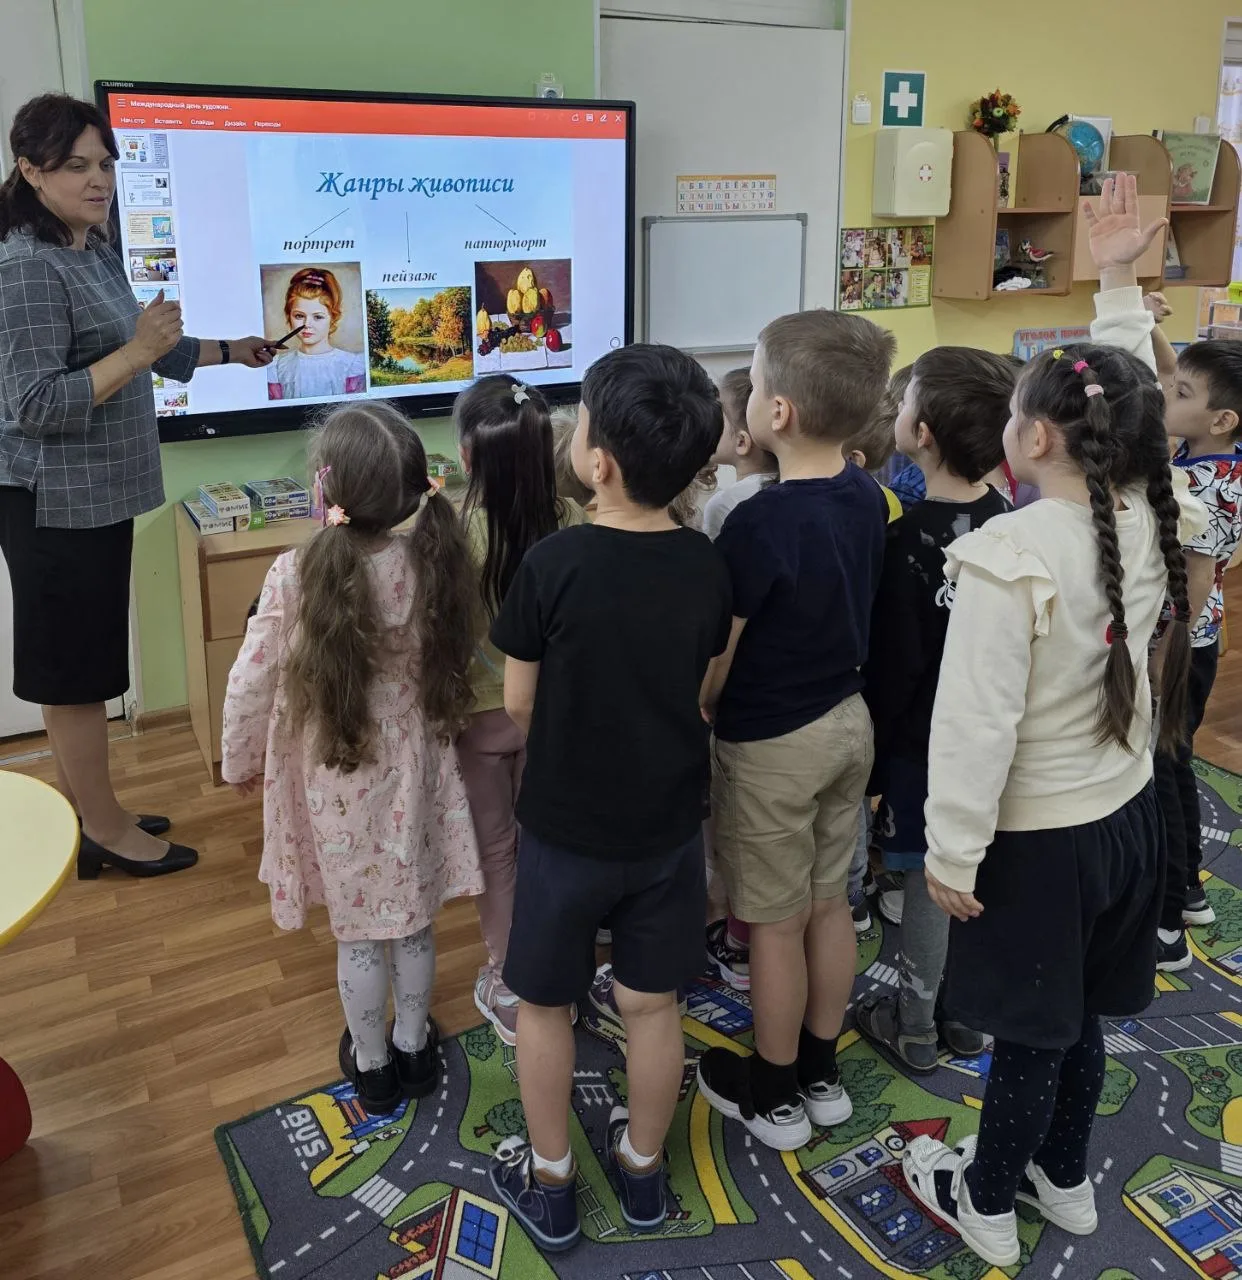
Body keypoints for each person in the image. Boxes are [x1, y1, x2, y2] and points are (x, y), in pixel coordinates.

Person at [901, 174, 1202, 1268]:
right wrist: (1115, 283)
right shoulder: (1146, 510)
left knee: (1032, 1032)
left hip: (1039, 847)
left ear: (1028, 437)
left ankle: (985, 1197)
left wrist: (950, 850)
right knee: (1078, 1018)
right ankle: (1062, 1174)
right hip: (1127, 821)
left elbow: (972, 725)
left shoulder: (1009, 556)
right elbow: (1123, 399)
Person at [486, 344, 731, 1252]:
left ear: (598, 464)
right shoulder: (706, 565)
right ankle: (642, 1170)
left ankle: (552, 1181)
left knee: (545, 1006)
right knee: (652, 1005)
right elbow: (703, 685)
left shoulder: (552, 564)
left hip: (565, 831)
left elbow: (519, 703)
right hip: (668, 829)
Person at [0, 93, 272, 880]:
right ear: (30, 170)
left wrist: (233, 351)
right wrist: (139, 352)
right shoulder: (24, 267)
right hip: (54, 502)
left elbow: (148, 345)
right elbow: (34, 404)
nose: (99, 180)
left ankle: (89, 813)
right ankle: (104, 831)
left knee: (80, 666)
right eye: (76, 166)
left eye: (106, 164)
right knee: (75, 676)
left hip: (98, 495)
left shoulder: (90, 246)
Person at [220, 402, 483, 1117]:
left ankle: (373, 1067)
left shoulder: (293, 573)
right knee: (413, 922)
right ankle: (414, 1048)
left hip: (337, 773)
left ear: (325, 488)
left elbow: (249, 681)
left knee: (362, 933)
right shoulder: (429, 560)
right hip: (415, 768)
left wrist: (237, 762)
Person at [697, 308, 895, 1151]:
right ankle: (820, 1071)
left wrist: (703, 701)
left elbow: (723, 647)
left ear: (776, 412)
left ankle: (775, 1091)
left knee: (773, 923)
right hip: (849, 723)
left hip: (774, 743)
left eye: (753, 381)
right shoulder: (867, 494)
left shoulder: (758, 520)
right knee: (828, 906)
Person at [857, 347, 1015, 1073]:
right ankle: (968, 1018)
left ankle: (917, 1024)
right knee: (975, 877)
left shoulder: (904, 540)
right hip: (996, 744)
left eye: (906, 400)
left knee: (930, 883)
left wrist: (875, 763)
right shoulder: (1011, 521)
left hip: (923, 750)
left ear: (921, 434)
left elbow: (895, 669)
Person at [455, 375, 586, 1045]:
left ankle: (510, 980)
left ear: (467, 457)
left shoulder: (455, 535)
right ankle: (557, 963)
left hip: (478, 724)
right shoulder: (573, 520)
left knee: (494, 849)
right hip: (552, 717)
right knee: (544, 842)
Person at [1153, 339, 1242, 969]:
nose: (1167, 393)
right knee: (1175, 759)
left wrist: (1164, 655)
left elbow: (1200, 578)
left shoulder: (1207, 485)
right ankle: (1188, 890)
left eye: (1183, 393)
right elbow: (1167, 371)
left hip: (1182, 645)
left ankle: (1169, 918)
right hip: (1188, 640)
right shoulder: (1206, 452)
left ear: (1222, 419)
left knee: (1163, 768)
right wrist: (1156, 330)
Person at [266, 267, 366, 400]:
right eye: (299, 316)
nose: (307, 324)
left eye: (318, 317)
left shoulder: (351, 365)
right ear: (289, 316)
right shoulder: (277, 366)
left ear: (333, 318)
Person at [701, 367, 775, 541]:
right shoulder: (797, 490)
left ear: (741, 442)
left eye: (717, 417)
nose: (708, 423)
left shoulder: (723, 505)